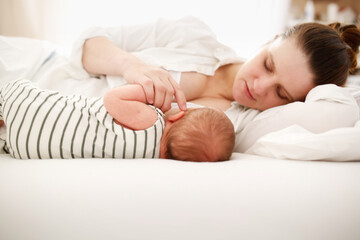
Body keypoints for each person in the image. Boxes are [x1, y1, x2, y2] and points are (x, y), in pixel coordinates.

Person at [0, 79, 235, 162]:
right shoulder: (150, 155)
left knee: (18, 91)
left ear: (179, 115)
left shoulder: (153, 121)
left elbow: (112, 99)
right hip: (29, 147)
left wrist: (148, 95)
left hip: (32, 111)